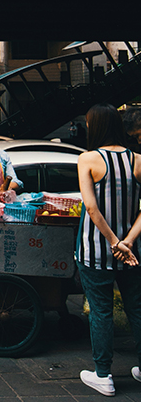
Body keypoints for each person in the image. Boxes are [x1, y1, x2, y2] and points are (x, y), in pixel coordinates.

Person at [76, 103, 141, 397]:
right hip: (134, 252)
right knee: (137, 309)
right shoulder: (138, 159)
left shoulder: (88, 159)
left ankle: (103, 374)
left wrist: (114, 242)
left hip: (95, 251)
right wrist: (128, 242)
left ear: (96, 127)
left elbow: (91, 207)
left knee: (101, 312)